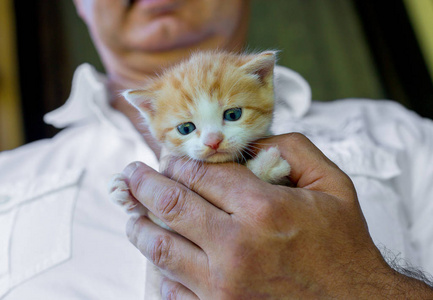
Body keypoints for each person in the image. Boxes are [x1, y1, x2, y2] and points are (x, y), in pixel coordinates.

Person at [0, 0, 432, 299]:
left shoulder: (399, 133)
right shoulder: (10, 177)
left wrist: (355, 286)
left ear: (262, 79)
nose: (209, 141)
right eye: (187, 127)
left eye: (229, 116)